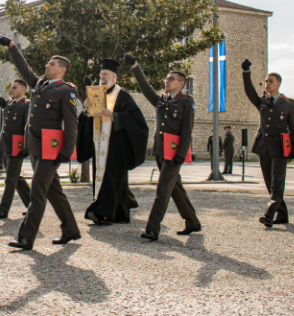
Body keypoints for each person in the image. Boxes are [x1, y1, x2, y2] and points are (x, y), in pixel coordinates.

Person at [0, 35, 81, 250]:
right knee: (53, 191)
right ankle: (70, 229)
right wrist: (12, 47)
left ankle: (26, 237)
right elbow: (24, 68)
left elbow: (71, 124)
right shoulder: (39, 84)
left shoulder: (66, 90)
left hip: (51, 149)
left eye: (52, 63)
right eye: (47, 63)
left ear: (62, 69)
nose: (47, 65)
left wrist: (66, 151)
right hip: (34, 146)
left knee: (37, 191)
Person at [125, 53, 201, 241]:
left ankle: (152, 228)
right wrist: (135, 66)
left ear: (181, 83)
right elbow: (145, 88)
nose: (167, 81)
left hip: (174, 154)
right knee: (175, 188)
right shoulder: (162, 100)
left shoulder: (186, 101)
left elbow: (186, 132)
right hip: (161, 151)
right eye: (167, 78)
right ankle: (192, 222)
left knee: (162, 189)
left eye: (171, 79)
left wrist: (181, 156)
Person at [76, 59, 148, 225]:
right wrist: (86, 111)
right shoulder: (96, 94)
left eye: (105, 74)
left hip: (116, 145)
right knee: (106, 178)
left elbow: (136, 119)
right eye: (101, 74)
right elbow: (87, 119)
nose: (102, 77)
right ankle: (121, 210)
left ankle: (100, 212)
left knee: (111, 178)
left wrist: (114, 116)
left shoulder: (122, 95)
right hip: (98, 143)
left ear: (114, 77)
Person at [242, 59, 294, 227]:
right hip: (263, 146)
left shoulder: (288, 105)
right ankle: (282, 215)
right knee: (269, 182)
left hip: (281, 148)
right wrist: (246, 72)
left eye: (271, 81)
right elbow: (249, 91)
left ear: (279, 83)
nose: (267, 84)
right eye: (266, 81)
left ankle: (269, 214)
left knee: (277, 183)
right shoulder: (262, 102)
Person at [0, 73, 31, 219]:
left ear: (23, 90)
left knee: (10, 178)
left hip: (17, 146)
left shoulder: (26, 106)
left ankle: (3, 210)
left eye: (15, 88)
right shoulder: (9, 103)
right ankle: (32, 205)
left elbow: (28, 128)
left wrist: (26, 148)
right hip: (5, 145)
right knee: (16, 178)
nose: (12, 90)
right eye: (11, 88)